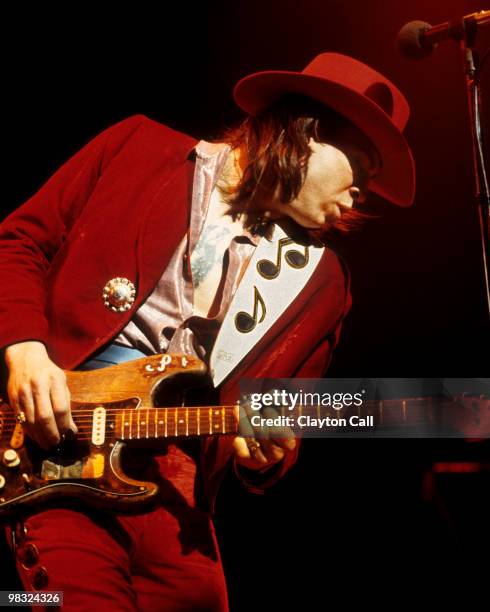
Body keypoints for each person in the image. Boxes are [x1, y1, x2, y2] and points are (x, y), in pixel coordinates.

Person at [0, 52, 415, 610]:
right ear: (306, 134)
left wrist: (266, 454)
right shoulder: (138, 147)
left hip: (180, 492)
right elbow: (18, 240)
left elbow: (283, 410)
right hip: (57, 442)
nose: (361, 194)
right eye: (360, 169)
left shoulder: (324, 282)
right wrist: (24, 348)